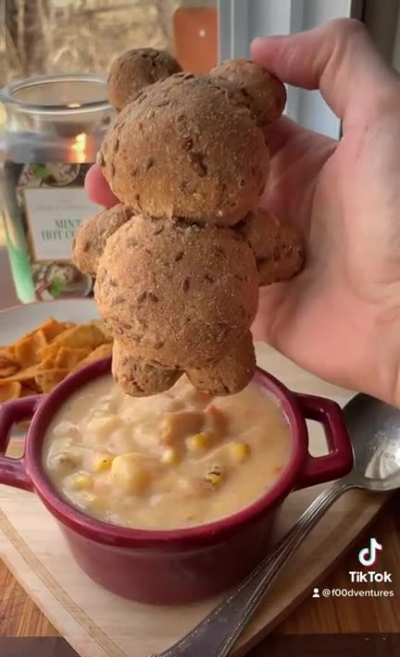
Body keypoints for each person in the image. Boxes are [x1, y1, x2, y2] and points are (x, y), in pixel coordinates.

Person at [85, 19, 400, 406]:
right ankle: (152, 361)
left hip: (221, 340)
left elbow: (280, 253)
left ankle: (200, 362)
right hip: (136, 341)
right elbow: (281, 254)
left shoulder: (240, 230)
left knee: (224, 370)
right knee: (155, 371)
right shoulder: (131, 222)